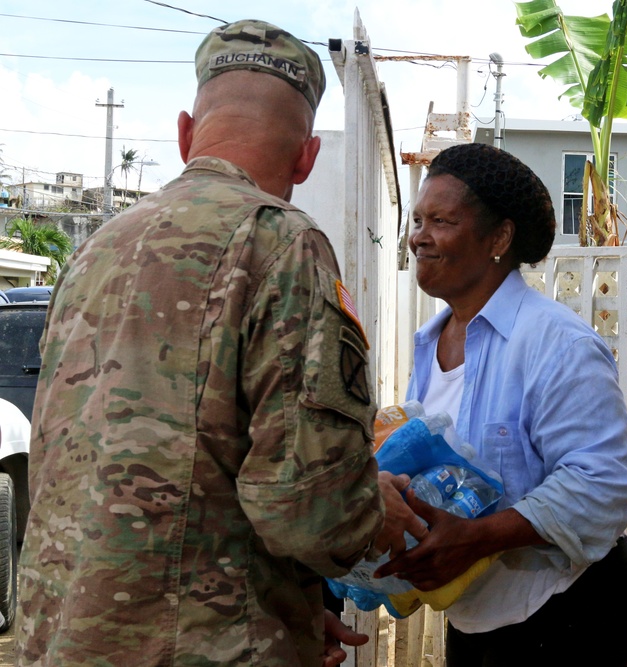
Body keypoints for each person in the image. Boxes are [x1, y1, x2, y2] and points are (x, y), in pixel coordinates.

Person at [15, 20, 424, 667]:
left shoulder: (94, 253)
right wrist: (380, 510)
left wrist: (278, 603)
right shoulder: (282, 243)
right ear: (306, 156)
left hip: (66, 632)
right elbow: (308, 506)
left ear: (185, 136)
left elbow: (104, 475)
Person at [375, 143, 627, 666]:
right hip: (480, 611)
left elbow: (604, 484)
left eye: (441, 220)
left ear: (499, 238)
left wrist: (476, 538)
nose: (418, 237)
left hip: (571, 605)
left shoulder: (555, 342)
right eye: (417, 220)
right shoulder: (429, 345)